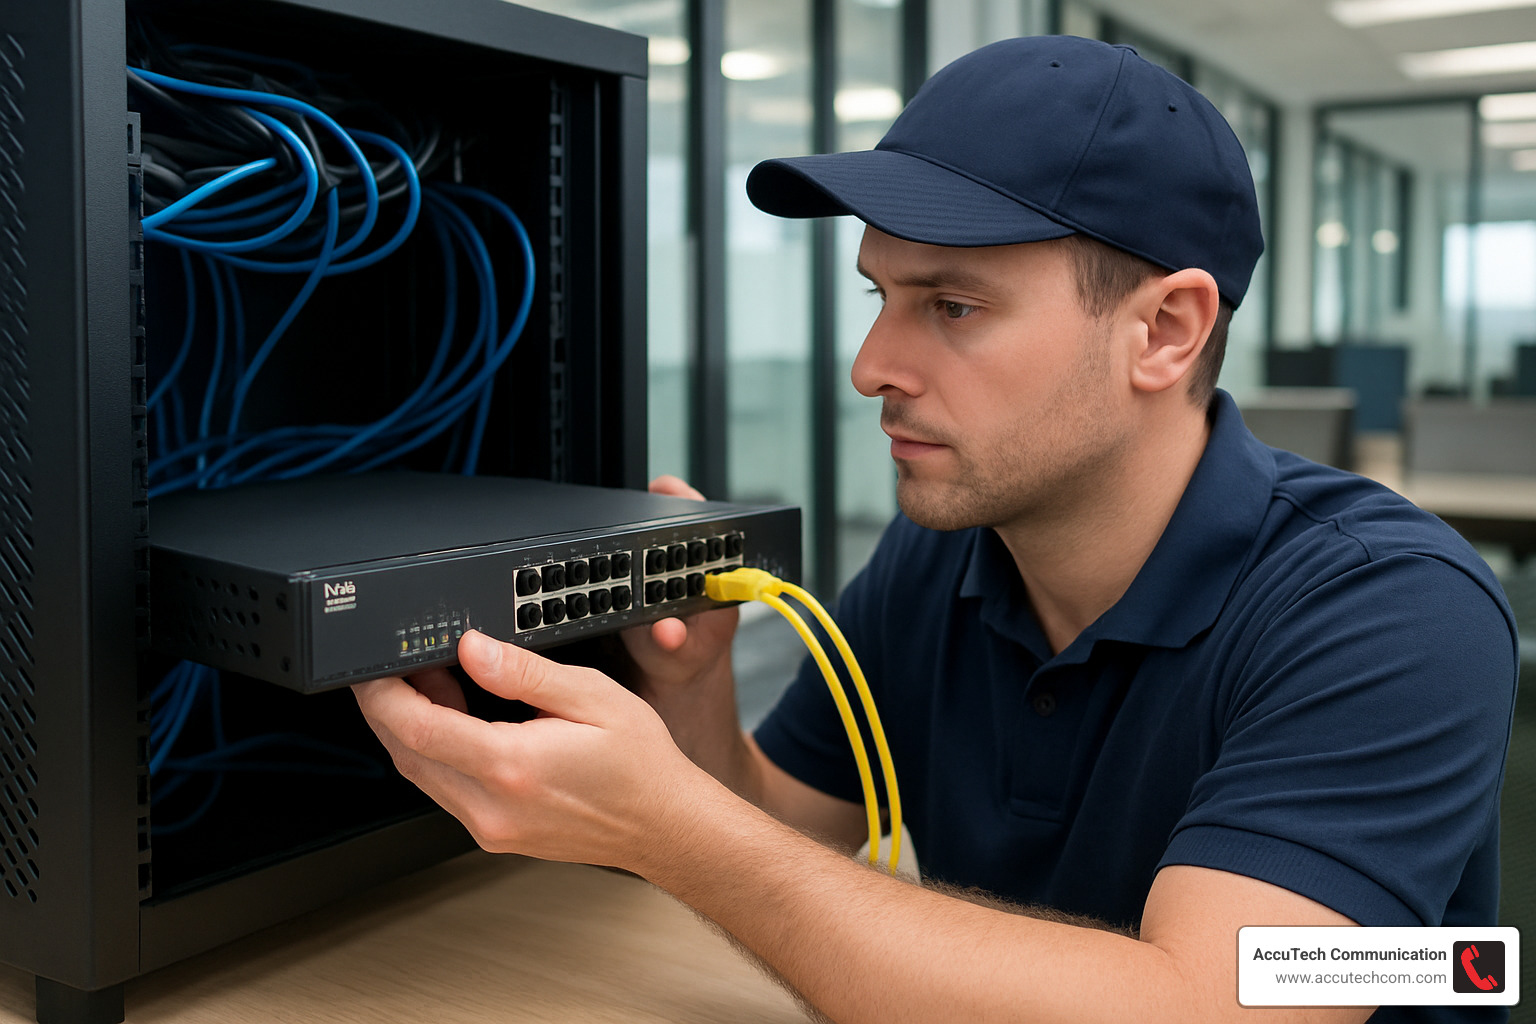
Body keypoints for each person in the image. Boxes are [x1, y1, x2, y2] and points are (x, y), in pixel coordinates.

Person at [353, 35, 1518, 1024]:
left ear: (1165, 331)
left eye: (952, 306)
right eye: (882, 297)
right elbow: (781, 828)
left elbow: (1218, 1004)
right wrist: (695, 693)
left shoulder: (1396, 611)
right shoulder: (951, 550)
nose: (872, 369)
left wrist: (676, 833)